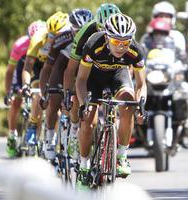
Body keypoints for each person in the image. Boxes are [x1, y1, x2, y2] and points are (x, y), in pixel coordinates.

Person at [75, 13, 147, 186]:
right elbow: (81, 80)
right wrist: (84, 104)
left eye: (125, 42)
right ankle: (84, 167)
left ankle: (122, 156)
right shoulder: (93, 45)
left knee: (128, 104)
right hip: (93, 79)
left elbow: (141, 84)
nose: (121, 47)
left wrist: (140, 106)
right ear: (107, 38)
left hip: (117, 76)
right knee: (88, 122)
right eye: (116, 42)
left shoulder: (136, 51)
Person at [63, 3, 121, 159]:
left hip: (112, 69)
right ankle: (76, 131)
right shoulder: (86, 34)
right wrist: (68, 93)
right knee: (80, 102)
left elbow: (129, 64)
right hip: (89, 70)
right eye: (103, 30)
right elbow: (71, 69)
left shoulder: (122, 30)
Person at [39, 8, 93, 160]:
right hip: (62, 69)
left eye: (85, 30)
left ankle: (78, 135)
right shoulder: (60, 39)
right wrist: (45, 93)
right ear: (71, 28)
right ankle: (49, 138)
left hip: (83, 71)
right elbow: (47, 68)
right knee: (55, 99)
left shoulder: (95, 39)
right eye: (77, 30)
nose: (81, 34)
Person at [22, 11, 70, 151]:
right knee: (38, 93)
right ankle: (32, 124)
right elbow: (27, 67)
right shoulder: (38, 39)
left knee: (59, 109)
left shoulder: (69, 41)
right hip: (40, 68)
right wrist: (26, 85)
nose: (53, 39)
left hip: (58, 69)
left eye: (57, 35)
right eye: (51, 35)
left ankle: (56, 142)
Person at [4, 20, 46, 157]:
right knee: (16, 101)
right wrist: (9, 92)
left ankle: (37, 136)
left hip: (40, 66)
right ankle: (11, 135)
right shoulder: (20, 45)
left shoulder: (47, 43)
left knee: (39, 96)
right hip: (22, 66)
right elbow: (10, 71)